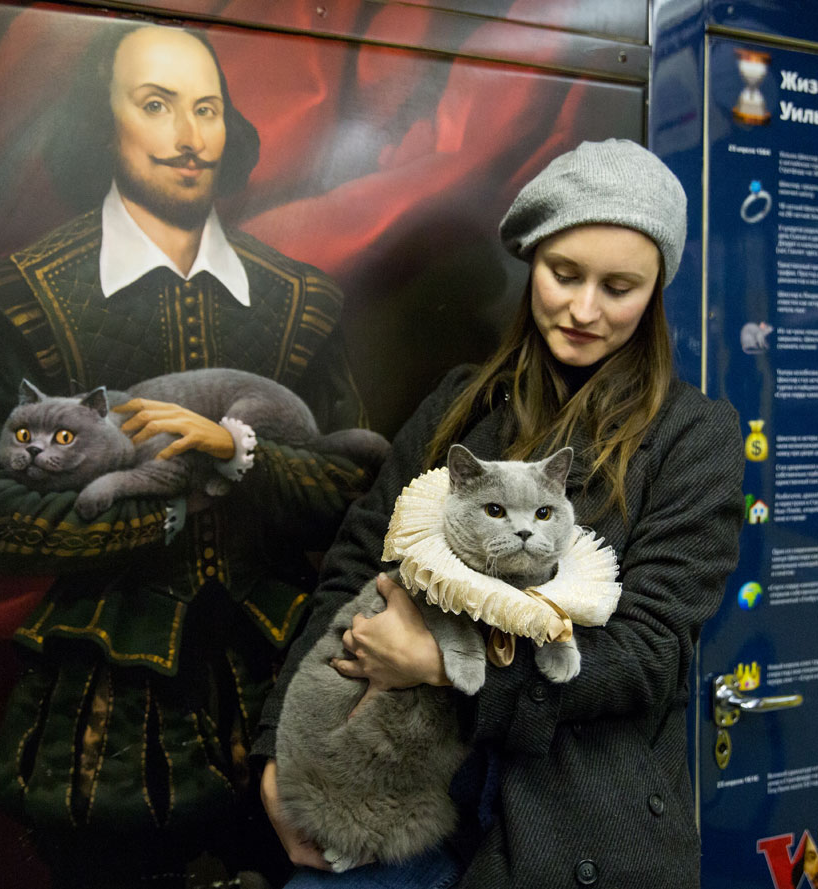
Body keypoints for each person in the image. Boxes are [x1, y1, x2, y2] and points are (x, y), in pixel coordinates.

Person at [0, 23, 375, 889]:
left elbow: (354, 489)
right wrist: (170, 509)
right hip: (103, 709)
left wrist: (239, 457)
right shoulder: (20, 298)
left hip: (285, 686)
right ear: (103, 126)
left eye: (207, 109)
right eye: (156, 105)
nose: (188, 135)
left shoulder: (300, 301)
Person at [254, 138, 745, 888]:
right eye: (564, 273)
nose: (584, 309)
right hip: (397, 791)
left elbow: (647, 656)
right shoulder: (461, 402)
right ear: (532, 263)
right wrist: (278, 759)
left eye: (619, 287)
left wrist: (449, 666)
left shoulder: (692, 434)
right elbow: (353, 563)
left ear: (655, 292)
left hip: (577, 820)